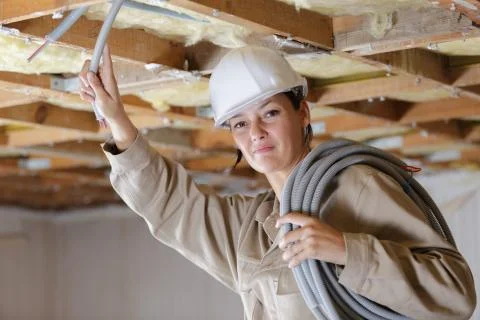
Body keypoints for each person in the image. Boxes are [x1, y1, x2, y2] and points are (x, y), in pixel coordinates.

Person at [79, 45, 476, 320]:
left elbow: (454, 296)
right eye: (239, 123)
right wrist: (118, 122)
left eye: (269, 113)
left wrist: (346, 249)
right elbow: (171, 204)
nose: (256, 132)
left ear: (302, 113)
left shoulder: (358, 187)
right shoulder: (251, 229)